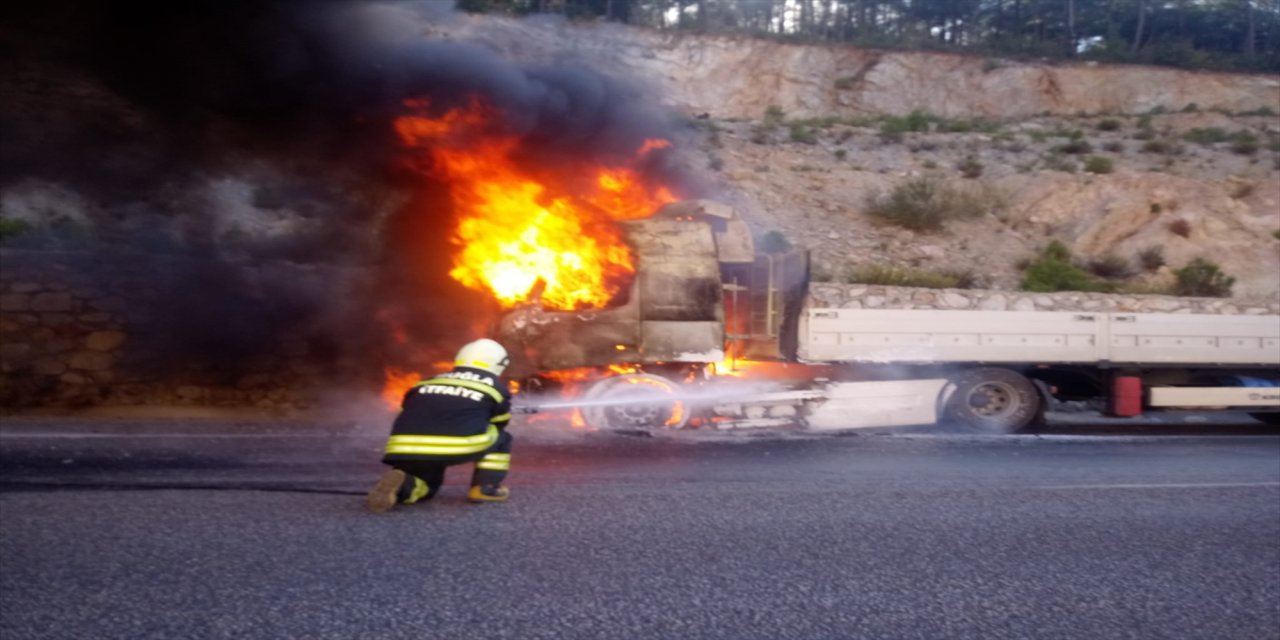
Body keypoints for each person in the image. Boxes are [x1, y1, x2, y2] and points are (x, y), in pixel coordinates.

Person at [367, 338, 514, 513]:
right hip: (454, 445)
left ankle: (402, 485)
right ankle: (485, 488)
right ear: (498, 364)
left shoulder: (426, 381)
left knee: (427, 486)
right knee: (501, 438)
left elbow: (407, 411)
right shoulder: (496, 387)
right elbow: (500, 421)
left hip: (404, 447)